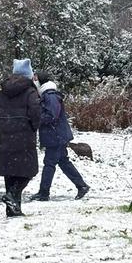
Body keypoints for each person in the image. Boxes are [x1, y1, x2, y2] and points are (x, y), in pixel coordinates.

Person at [0, 58, 41, 217]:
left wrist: (3, 126)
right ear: (28, 74)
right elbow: (36, 112)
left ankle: (12, 209)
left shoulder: (3, 92)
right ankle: (12, 198)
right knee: (28, 171)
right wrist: (33, 126)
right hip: (24, 136)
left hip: (6, 137)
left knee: (10, 173)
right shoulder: (30, 92)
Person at [31, 71, 90, 202]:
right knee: (63, 162)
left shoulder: (49, 95)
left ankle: (44, 193)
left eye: (35, 78)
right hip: (57, 134)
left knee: (49, 164)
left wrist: (36, 119)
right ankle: (82, 186)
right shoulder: (47, 94)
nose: (33, 80)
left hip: (55, 135)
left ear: (41, 80)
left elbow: (52, 115)